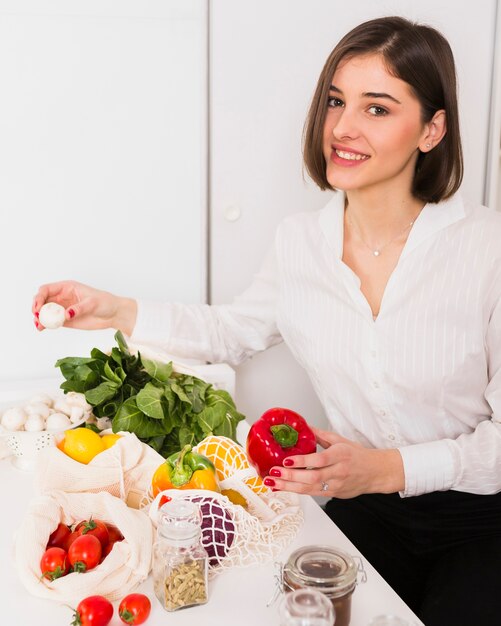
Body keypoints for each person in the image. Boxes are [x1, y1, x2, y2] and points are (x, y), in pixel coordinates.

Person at [33, 16, 501, 626]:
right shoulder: (300, 243)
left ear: (432, 129)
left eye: (377, 109)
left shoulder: (486, 248)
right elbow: (231, 331)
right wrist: (115, 311)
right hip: (363, 511)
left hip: (482, 519)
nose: (343, 127)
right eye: (337, 101)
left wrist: (387, 468)